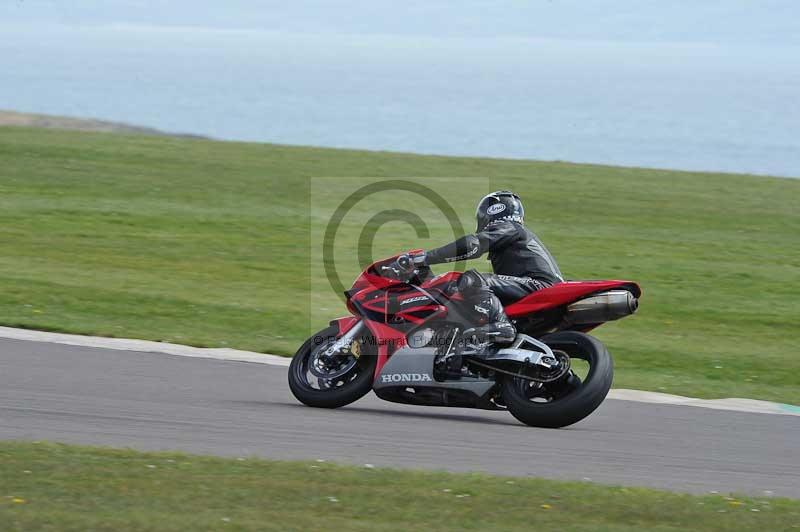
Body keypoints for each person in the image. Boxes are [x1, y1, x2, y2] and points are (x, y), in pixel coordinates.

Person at [412, 190, 564, 346]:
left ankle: (502, 326)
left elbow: (473, 244)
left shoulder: (509, 227)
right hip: (538, 288)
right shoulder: (514, 236)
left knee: (471, 279)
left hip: (539, 285)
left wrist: (427, 257)